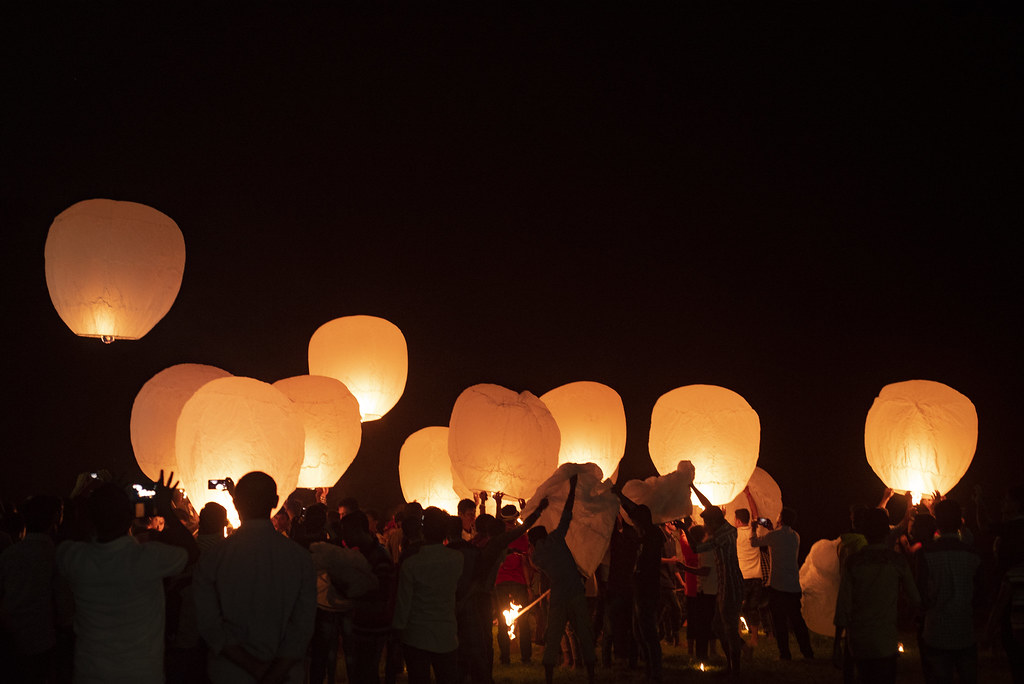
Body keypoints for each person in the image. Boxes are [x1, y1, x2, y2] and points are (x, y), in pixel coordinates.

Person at [57, 472, 195, 683]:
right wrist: (165, 507)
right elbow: (191, 552)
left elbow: (65, 535)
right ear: (129, 515)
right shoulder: (148, 558)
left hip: (90, 673)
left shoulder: (75, 558)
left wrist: (80, 496)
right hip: (140, 673)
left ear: (90, 518)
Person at [193, 471, 316, 684]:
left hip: (230, 673)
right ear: (276, 502)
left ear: (235, 502)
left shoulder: (213, 558)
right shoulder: (300, 559)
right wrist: (274, 673)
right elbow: (302, 627)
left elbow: (209, 624)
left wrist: (254, 668)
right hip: (284, 676)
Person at [834, 506, 921, 684]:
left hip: (859, 639)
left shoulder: (853, 562)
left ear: (864, 531)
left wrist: (837, 643)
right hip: (885, 640)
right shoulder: (897, 561)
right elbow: (916, 598)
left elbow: (843, 604)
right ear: (886, 531)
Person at [530, 475, 595, 684]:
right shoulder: (556, 538)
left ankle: (549, 676)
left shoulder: (536, 557)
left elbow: (536, 563)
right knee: (584, 632)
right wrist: (573, 486)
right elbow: (568, 512)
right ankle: (591, 673)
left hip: (558, 595)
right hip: (575, 591)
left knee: (554, 635)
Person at [0, 493, 71, 684]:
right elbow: (63, 603)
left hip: (10, 636)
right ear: (56, 516)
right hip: (43, 638)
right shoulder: (55, 555)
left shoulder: (9, 554)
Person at [392, 506, 463, 684]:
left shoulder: (411, 564)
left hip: (416, 634)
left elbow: (403, 603)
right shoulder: (457, 559)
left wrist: (398, 630)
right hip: (446, 633)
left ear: (423, 532)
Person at [917, 498, 982, 684]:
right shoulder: (973, 555)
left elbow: (921, 593)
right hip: (964, 631)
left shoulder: (926, 554)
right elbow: (980, 594)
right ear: (960, 521)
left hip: (936, 631)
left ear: (936, 522)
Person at [691, 483, 744, 677]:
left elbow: (697, 549)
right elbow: (709, 506)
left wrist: (686, 529)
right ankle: (733, 661)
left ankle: (735, 668)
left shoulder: (723, 537)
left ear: (713, 523)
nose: (705, 527)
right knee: (718, 625)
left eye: (707, 524)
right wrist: (692, 486)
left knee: (728, 627)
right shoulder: (727, 527)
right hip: (725, 584)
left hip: (730, 585)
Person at [750, 507, 814, 660]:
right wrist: (772, 529)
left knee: (779, 622)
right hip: (793, 585)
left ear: (781, 519)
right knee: (797, 621)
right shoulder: (795, 536)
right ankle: (807, 652)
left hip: (778, 585)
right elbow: (780, 540)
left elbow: (754, 543)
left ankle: (785, 654)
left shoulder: (774, 535)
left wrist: (753, 529)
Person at [340, 509, 395, 684]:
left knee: (367, 672)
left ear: (358, 531)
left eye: (347, 532)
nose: (345, 538)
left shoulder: (378, 556)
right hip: (361, 626)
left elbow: (382, 596)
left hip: (372, 627)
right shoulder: (361, 554)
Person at [494, 500, 534, 665]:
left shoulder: (514, 538)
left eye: (512, 521)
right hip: (506, 583)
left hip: (512, 583)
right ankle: (509, 657)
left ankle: (520, 657)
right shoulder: (511, 538)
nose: (511, 524)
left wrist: (528, 586)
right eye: (508, 522)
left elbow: (524, 563)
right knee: (508, 622)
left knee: (521, 621)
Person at [733, 500, 767, 652]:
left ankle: (738, 633)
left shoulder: (735, 534)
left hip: (742, 577)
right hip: (757, 576)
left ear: (738, 521)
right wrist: (748, 495)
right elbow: (758, 516)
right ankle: (754, 638)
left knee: (736, 607)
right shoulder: (755, 530)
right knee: (752, 608)